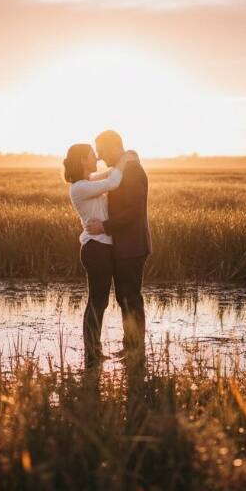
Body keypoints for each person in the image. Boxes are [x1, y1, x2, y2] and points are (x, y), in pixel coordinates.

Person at [63, 143, 137, 365]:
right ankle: (92, 351)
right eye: (93, 155)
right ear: (83, 160)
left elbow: (106, 175)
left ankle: (93, 350)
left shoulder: (87, 182)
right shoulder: (79, 187)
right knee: (97, 302)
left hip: (101, 247)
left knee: (98, 301)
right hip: (96, 249)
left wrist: (118, 164)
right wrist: (123, 161)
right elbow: (113, 182)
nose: (97, 157)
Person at [85, 130, 152, 357]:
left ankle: (134, 350)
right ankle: (130, 348)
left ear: (114, 147)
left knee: (130, 298)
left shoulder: (132, 170)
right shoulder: (122, 168)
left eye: (102, 151)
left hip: (132, 246)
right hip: (123, 245)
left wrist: (104, 226)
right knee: (125, 299)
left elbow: (134, 211)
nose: (101, 157)